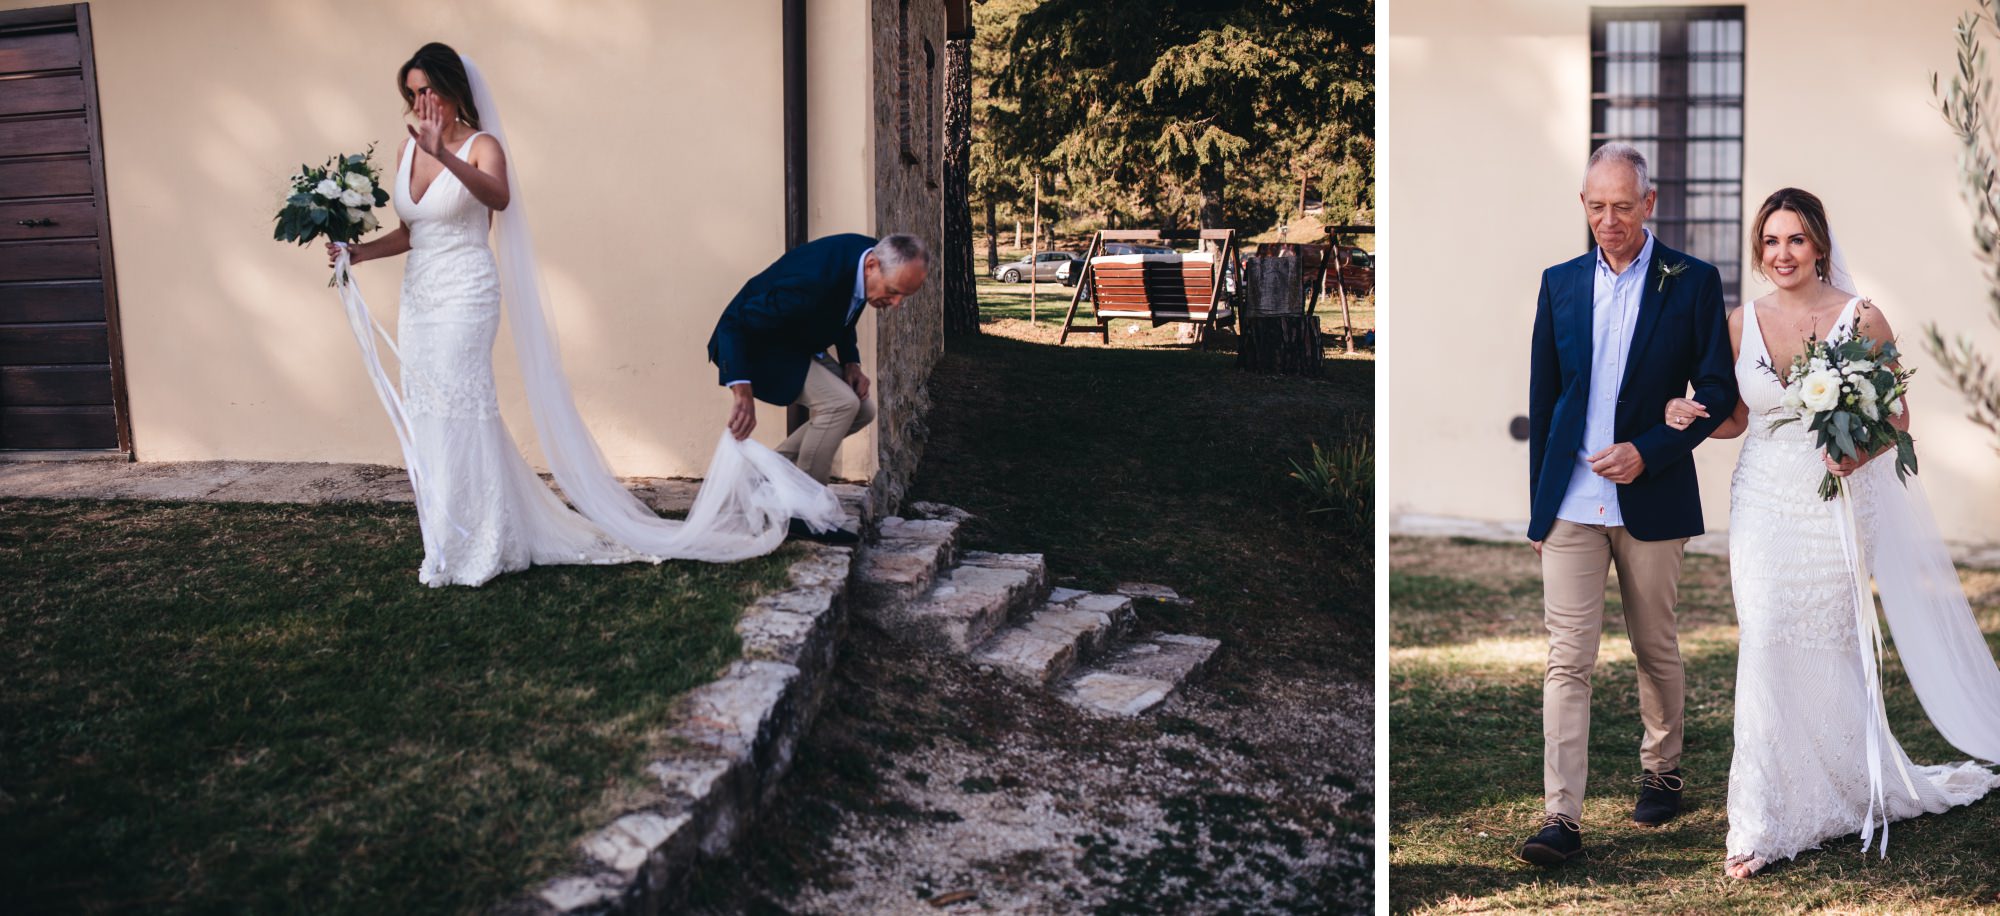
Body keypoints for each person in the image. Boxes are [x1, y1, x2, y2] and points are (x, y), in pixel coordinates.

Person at [325, 43, 843, 586]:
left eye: (428, 89)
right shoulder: (409, 152)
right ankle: (450, 533)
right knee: (431, 410)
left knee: (463, 406)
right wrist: (358, 254)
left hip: (465, 295)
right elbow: (413, 231)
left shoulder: (482, 146)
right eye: (412, 93)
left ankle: (484, 542)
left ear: (455, 90)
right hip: (420, 298)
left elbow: (498, 199)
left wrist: (446, 153)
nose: (420, 101)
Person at [1664, 188, 2000, 878]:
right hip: (1762, 499)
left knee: (1827, 640)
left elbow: (1897, 416)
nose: (1780, 254)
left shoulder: (1860, 316)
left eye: (1794, 239)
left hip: (1838, 502)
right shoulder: (1741, 323)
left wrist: (1857, 454)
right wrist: (1689, 413)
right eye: (1769, 241)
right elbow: (1735, 418)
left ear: (1818, 243)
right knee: (1764, 637)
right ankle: (1759, 820)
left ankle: (1840, 786)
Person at [1518, 143, 1739, 866]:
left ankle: (1662, 770)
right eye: (1594, 206)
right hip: (1574, 503)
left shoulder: (1693, 281)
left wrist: (1649, 448)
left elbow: (1717, 395)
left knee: (1654, 646)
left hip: (1654, 496)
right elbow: (1544, 401)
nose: (1607, 220)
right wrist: (1539, 508)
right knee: (1566, 661)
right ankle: (1561, 819)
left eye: (1621, 205)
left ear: (1650, 203)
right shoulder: (1558, 284)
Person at [708, 232, 928, 542]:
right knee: (840, 404)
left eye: (903, 296)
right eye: (893, 292)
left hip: (795, 343)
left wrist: (851, 361)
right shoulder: (813, 279)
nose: (895, 304)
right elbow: (735, 323)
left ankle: (761, 478)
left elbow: (848, 306)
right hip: (756, 348)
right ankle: (803, 513)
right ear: (872, 266)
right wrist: (740, 387)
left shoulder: (871, 256)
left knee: (862, 408)